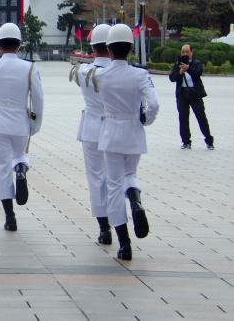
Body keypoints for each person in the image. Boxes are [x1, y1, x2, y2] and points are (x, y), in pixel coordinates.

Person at [97, 23, 159, 261]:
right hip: (133, 131)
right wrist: (146, 120)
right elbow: (153, 104)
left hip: (111, 132)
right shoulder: (140, 74)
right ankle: (134, 196)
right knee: (129, 174)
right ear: (131, 49)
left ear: (109, 49)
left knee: (113, 186)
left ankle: (124, 244)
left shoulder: (100, 75)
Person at [0, 22, 44, 232]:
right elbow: (38, 99)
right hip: (19, 121)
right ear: (19, 45)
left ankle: (9, 216)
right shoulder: (29, 68)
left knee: (0, 168)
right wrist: (35, 125)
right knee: (20, 154)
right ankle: (21, 169)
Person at [72, 23, 113, 245]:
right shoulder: (117, 72)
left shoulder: (82, 71)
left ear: (93, 48)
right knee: (116, 178)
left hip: (91, 128)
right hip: (115, 127)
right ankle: (120, 220)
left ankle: (104, 227)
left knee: (96, 178)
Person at [169, 44, 213, 150]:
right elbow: (172, 78)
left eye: (187, 52)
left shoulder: (196, 63)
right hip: (182, 94)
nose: (185, 54)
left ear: (191, 53)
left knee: (201, 117)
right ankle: (186, 142)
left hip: (195, 94)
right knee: (183, 118)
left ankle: (209, 141)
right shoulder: (177, 64)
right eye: (183, 52)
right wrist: (180, 72)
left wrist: (188, 69)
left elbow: (198, 73)